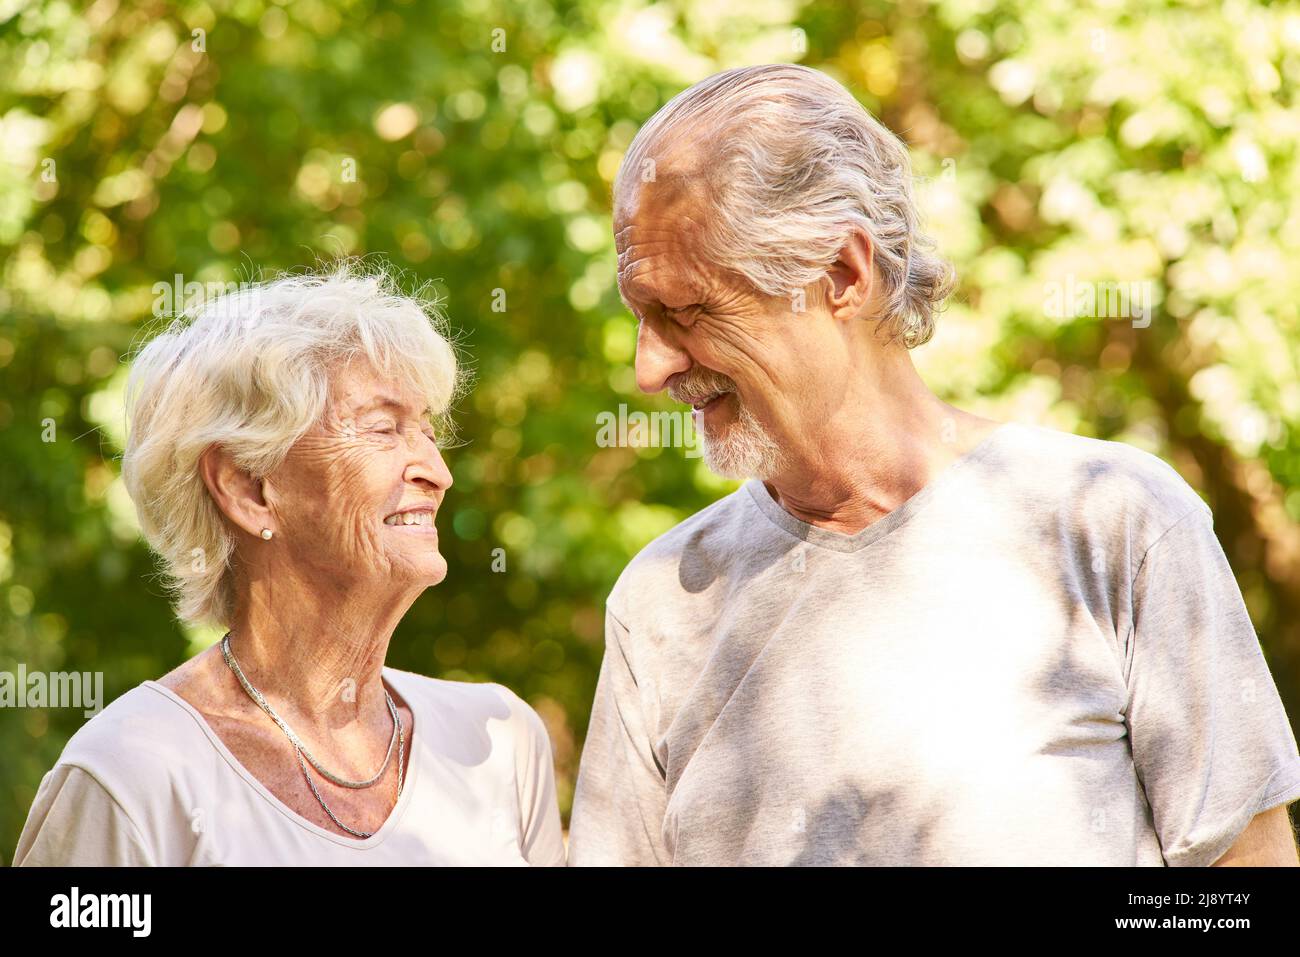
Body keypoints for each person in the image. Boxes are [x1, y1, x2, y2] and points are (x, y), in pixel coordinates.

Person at [566, 64, 1300, 866]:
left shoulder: (1116, 523)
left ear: (841, 274)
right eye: (641, 317)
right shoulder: (660, 601)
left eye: (688, 310)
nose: (649, 369)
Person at [15, 263, 565, 865]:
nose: (437, 471)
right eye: (384, 430)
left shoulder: (500, 741)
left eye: (428, 432)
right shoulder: (130, 774)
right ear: (247, 489)